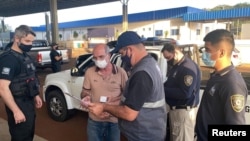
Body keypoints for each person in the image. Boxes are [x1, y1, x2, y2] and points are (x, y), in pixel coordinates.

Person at [88, 31, 167, 141]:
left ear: (129, 50)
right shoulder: (151, 64)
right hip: (150, 132)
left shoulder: (142, 73)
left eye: (121, 54)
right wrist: (118, 100)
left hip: (142, 136)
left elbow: (129, 114)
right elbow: (140, 98)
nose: (121, 58)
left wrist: (103, 107)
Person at [195, 29, 248, 141]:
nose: (204, 54)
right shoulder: (217, 76)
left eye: (208, 50)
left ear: (222, 52)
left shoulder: (232, 83)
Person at [0, 25, 43, 141]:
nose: (30, 44)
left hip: (28, 101)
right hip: (17, 103)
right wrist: (16, 111)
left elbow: (31, 77)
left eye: (31, 41)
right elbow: (3, 88)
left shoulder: (25, 56)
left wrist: (36, 95)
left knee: (28, 134)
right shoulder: (8, 59)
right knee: (20, 137)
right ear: (16, 39)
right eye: (27, 41)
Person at [80, 43, 128, 141]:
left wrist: (115, 101)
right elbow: (84, 92)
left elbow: (127, 97)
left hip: (114, 121)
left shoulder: (121, 73)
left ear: (109, 56)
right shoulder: (89, 72)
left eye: (101, 57)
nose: (98, 61)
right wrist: (85, 97)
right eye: (95, 58)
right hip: (94, 121)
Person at [162, 43, 201, 141]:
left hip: (183, 112)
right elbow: (169, 84)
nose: (167, 60)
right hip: (176, 112)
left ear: (175, 53)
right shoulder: (177, 66)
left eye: (168, 57)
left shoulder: (187, 68)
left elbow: (185, 93)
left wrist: (163, 90)